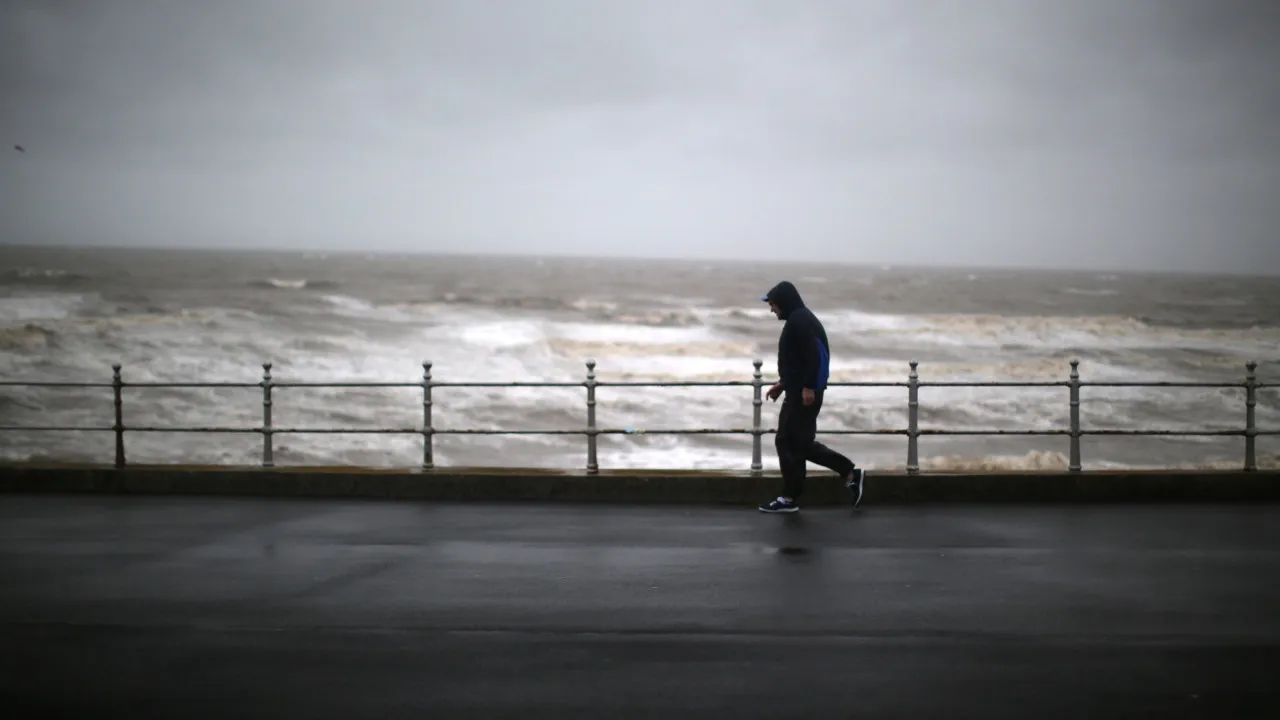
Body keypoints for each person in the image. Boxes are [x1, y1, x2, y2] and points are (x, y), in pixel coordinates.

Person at [757, 281, 864, 513]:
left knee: (788, 441)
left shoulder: (801, 321)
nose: (772, 309)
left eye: (773, 304)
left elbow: (818, 357)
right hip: (798, 390)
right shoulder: (800, 320)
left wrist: (809, 387)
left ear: (784, 302)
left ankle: (791, 497)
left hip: (803, 394)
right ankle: (846, 473)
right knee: (797, 443)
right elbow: (799, 361)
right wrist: (783, 384)